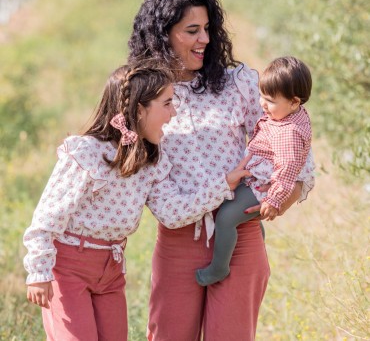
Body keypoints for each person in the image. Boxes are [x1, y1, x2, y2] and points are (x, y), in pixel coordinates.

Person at [128, 0, 315, 341]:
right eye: (192, 31)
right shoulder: (146, 97)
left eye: (208, 29)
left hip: (240, 239)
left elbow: (297, 158)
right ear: (162, 36)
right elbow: (158, 196)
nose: (205, 40)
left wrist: (270, 205)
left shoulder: (239, 83)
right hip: (178, 243)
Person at [23, 60, 249, 341]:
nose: (174, 112)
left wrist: (224, 185)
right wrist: (39, 271)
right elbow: (47, 217)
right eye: (167, 104)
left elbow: (172, 212)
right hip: (68, 267)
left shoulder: (151, 162)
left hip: (111, 270)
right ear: (140, 109)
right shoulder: (87, 154)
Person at [196, 56, 315, 286]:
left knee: (226, 217)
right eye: (262, 96)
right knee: (239, 212)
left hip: (263, 186)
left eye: (269, 100)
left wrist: (274, 199)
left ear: (294, 102)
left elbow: (288, 170)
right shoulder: (289, 114)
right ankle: (256, 240)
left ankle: (218, 269)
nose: (262, 104)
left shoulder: (288, 133)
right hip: (257, 176)